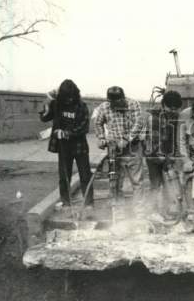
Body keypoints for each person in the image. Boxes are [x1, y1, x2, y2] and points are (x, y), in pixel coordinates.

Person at [39, 79, 93, 210]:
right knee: (64, 175)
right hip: (63, 147)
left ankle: (88, 203)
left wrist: (66, 133)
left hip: (79, 145)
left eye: (71, 97)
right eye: (66, 97)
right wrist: (47, 101)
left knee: (85, 174)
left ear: (75, 94)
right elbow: (44, 118)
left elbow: (84, 127)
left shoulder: (81, 106)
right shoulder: (57, 104)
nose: (68, 100)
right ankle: (66, 202)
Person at [91, 86, 148, 201]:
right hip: (114, 150)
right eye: (114, 103)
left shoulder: (133, 104)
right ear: (109, 101)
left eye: (119, 102)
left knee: (137, 182)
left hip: (133, 148)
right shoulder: (104, 107)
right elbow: (98, 123)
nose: (117, 105)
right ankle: (118, 211)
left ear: (123, 98)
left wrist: (127, 139)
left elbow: (138, 124)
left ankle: (140, 214)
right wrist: (101, 137)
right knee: (115, 181)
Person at [146, 90, 184, 219]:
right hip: (154, 155)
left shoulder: (176, 117)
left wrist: (173, 156)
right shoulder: (154, 118)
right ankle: (153, 212)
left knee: (170, 183)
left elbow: (176, 138)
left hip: (168, 155)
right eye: (170, 108)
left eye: (176, 109)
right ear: (163, 105)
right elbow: (154, 142)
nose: (173, 111)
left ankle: (169, 209)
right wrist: (165, 158)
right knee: (156, 184)